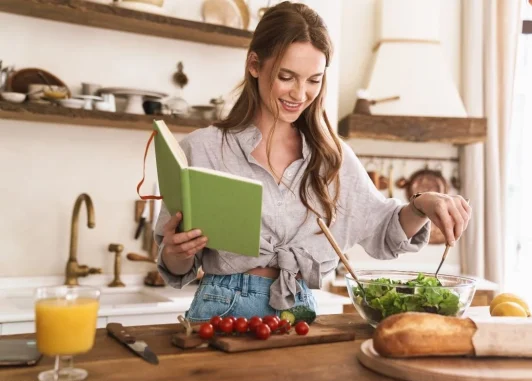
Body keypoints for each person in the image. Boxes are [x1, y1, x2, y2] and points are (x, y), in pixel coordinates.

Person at [154, 1, 471, 321]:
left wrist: (420, 205)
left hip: (299, 311)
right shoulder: (201, 149)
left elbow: (384, 231)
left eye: (313, 80)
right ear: (254, 64)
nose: (300, 93)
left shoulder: (332, 159)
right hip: (221, 310)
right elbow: (176, 268)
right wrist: (175, 252)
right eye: (287, 76)